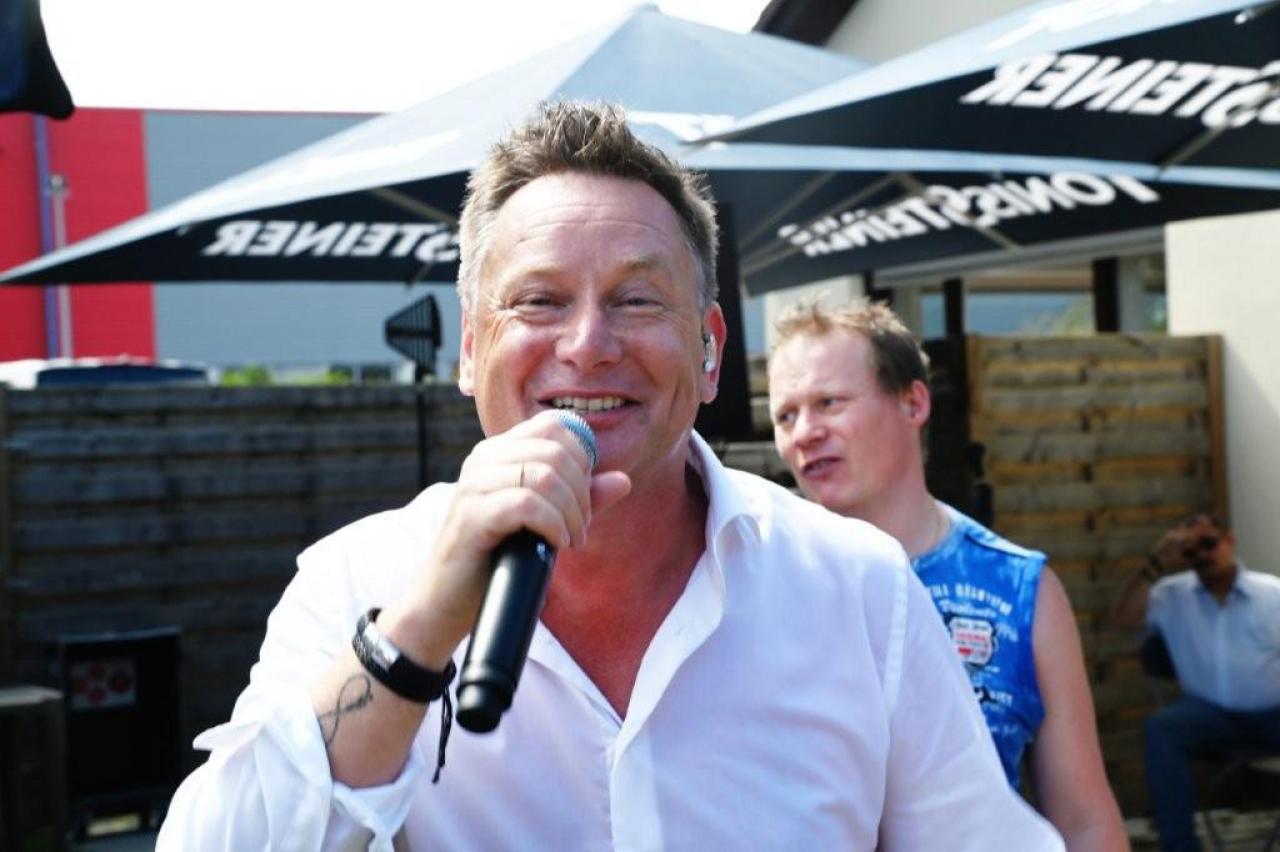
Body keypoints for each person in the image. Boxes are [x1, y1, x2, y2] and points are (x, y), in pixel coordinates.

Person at [156, 102, 1062, 850]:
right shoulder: (357, 581)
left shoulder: (859, 589)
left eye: (636, 299)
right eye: (539, 300)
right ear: (470, 351)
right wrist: (419, 630)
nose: (588, 345)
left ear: (710, 352)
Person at [767, 301, 1127, 851]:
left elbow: (1085, 821)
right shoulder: (759, 583)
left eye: (829, 403)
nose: (805, 433)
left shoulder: (1017, 590)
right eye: (785, 416)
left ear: (913, 402)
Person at [1112, 512, 1280, 852]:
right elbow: (1124, 618)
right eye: (1190, 551)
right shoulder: (1171, 595)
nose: (1202, 555)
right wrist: (1157, 562)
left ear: (1229, 541)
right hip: (1210, 716)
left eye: (1208, 544)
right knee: (1162, 730)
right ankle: (1181, 846)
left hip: (1273, 714)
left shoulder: (1271, 594)